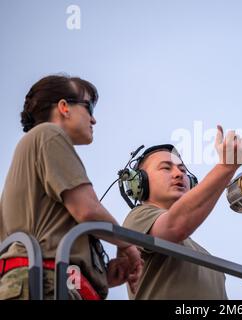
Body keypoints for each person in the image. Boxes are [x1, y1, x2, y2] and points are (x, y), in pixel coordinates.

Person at [0, 74, 143, 300]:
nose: (93, 120)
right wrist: (129, 245)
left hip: (42, 281)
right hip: (43, 283)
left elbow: (47, 238)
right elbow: (87, 210)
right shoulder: (49, 134)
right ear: (64, 107)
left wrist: (100, 276)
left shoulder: (31, 153)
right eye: (89, 108)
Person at [122, 126, 242, 299]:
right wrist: (226, 167)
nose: (178, 174)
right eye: (166, 168)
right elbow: (176, 226)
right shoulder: (137, 217)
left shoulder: (210, 262)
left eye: (183, 170)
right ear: (139, 183)